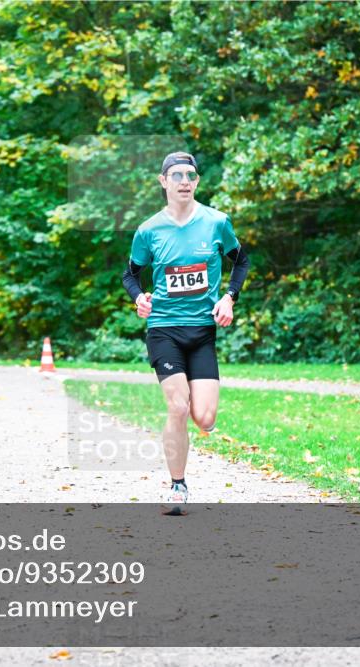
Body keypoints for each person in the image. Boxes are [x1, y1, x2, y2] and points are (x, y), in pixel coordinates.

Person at [122, 152, 249, 516]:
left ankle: (197, 426)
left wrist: (229, 297)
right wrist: (139, 299)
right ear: (163, 181)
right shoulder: (148, 230)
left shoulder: (216, 222)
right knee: (177, 406)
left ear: (196, 181)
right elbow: (130, 274)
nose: (183, 181)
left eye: (190, 175)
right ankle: (177, 485)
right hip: (163, 329)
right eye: (175, 174)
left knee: (204, 418)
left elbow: (241, 260)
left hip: (202, 331)